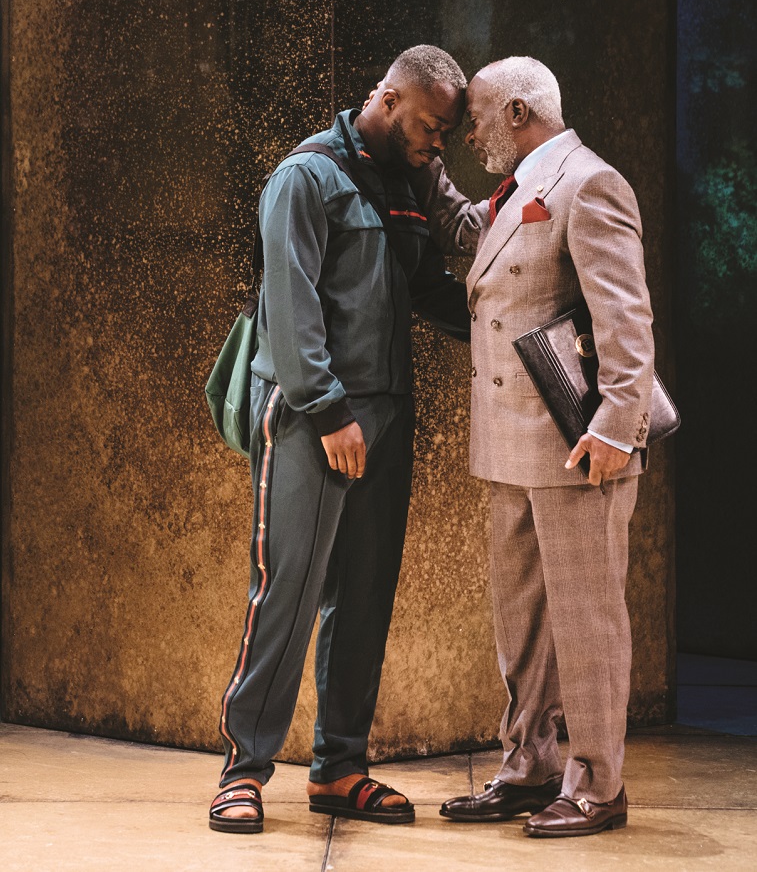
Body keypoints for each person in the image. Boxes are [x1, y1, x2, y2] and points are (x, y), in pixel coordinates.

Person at [208, 45, 471, 834]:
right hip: (310, 416)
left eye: (446, 133)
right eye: (430, 127)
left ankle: (339, 767)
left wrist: (506, 322)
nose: (438, 145)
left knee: (363, 594)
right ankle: (242, 769)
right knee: (285, 590)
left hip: (386, 415)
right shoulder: (305, 176)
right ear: (389, 100)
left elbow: (426, 288)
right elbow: (290, 305)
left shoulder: (404, 186)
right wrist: (328, 413)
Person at [411, 57, 655, 837]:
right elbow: (471, 234)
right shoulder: (516, 191)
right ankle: (528, 765)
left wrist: (615, 427)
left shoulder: (589, 184)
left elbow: (626, 319)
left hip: (578, 445)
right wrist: (422, 162)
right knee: (521, 625)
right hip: (508, 446)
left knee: (585, 621)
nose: (469, 132)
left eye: (478, 116)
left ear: (517, 111)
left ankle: (596, 784)